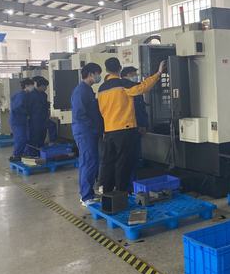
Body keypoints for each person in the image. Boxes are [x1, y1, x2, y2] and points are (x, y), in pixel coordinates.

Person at [98, 57, 166, 194]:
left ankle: (107, 192)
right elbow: (143, 87)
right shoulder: (123, 84)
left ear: (106, 70)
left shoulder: (102, 88)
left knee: (109, 163)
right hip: (124, 129)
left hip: (109, 130)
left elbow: (101, 110)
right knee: (123, 163)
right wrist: (158, 73)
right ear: (120, 68)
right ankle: (121, 193)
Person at [71, 63, 104, 206]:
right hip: (85, 131)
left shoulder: (87, 90)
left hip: (88, 131)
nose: (99, 77)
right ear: (91, 74)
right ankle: (86, 197)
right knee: (88, 162)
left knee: (89, 161)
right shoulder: (81, 91)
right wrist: (94, 127)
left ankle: (87, 193)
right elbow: (80, 114)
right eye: (98, 74)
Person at [121, 66, 149, 183]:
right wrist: (142, 124)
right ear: (126, 75)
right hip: (133, 126)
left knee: (128, 156)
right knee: (132, 155)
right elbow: (138, 108)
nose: (135, 76)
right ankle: (132, 181)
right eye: (133, 74)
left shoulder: (120, 87)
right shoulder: (132, 88)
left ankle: (131, 181)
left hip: (123, 126)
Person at [9, 78, 34, 162]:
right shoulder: (21, 95)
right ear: (26, 86)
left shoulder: (25, 95)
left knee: (24, 138)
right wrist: (27, 112)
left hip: (22, 120)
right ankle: (16, 155)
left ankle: (21, 153)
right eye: (31, 85)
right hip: (17, 121)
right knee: (21, 138)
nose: (33, 87)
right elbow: (17, 108)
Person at [26, 76, 50, 156]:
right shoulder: (31, 95)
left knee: (42, 136)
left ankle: (40, 153)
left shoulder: (44, 95)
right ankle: (32, 154)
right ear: (41, 86)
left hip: (43, 119)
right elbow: (28, 107)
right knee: (34, 137)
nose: (46, 88)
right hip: (34, 120)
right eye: (45, 86)